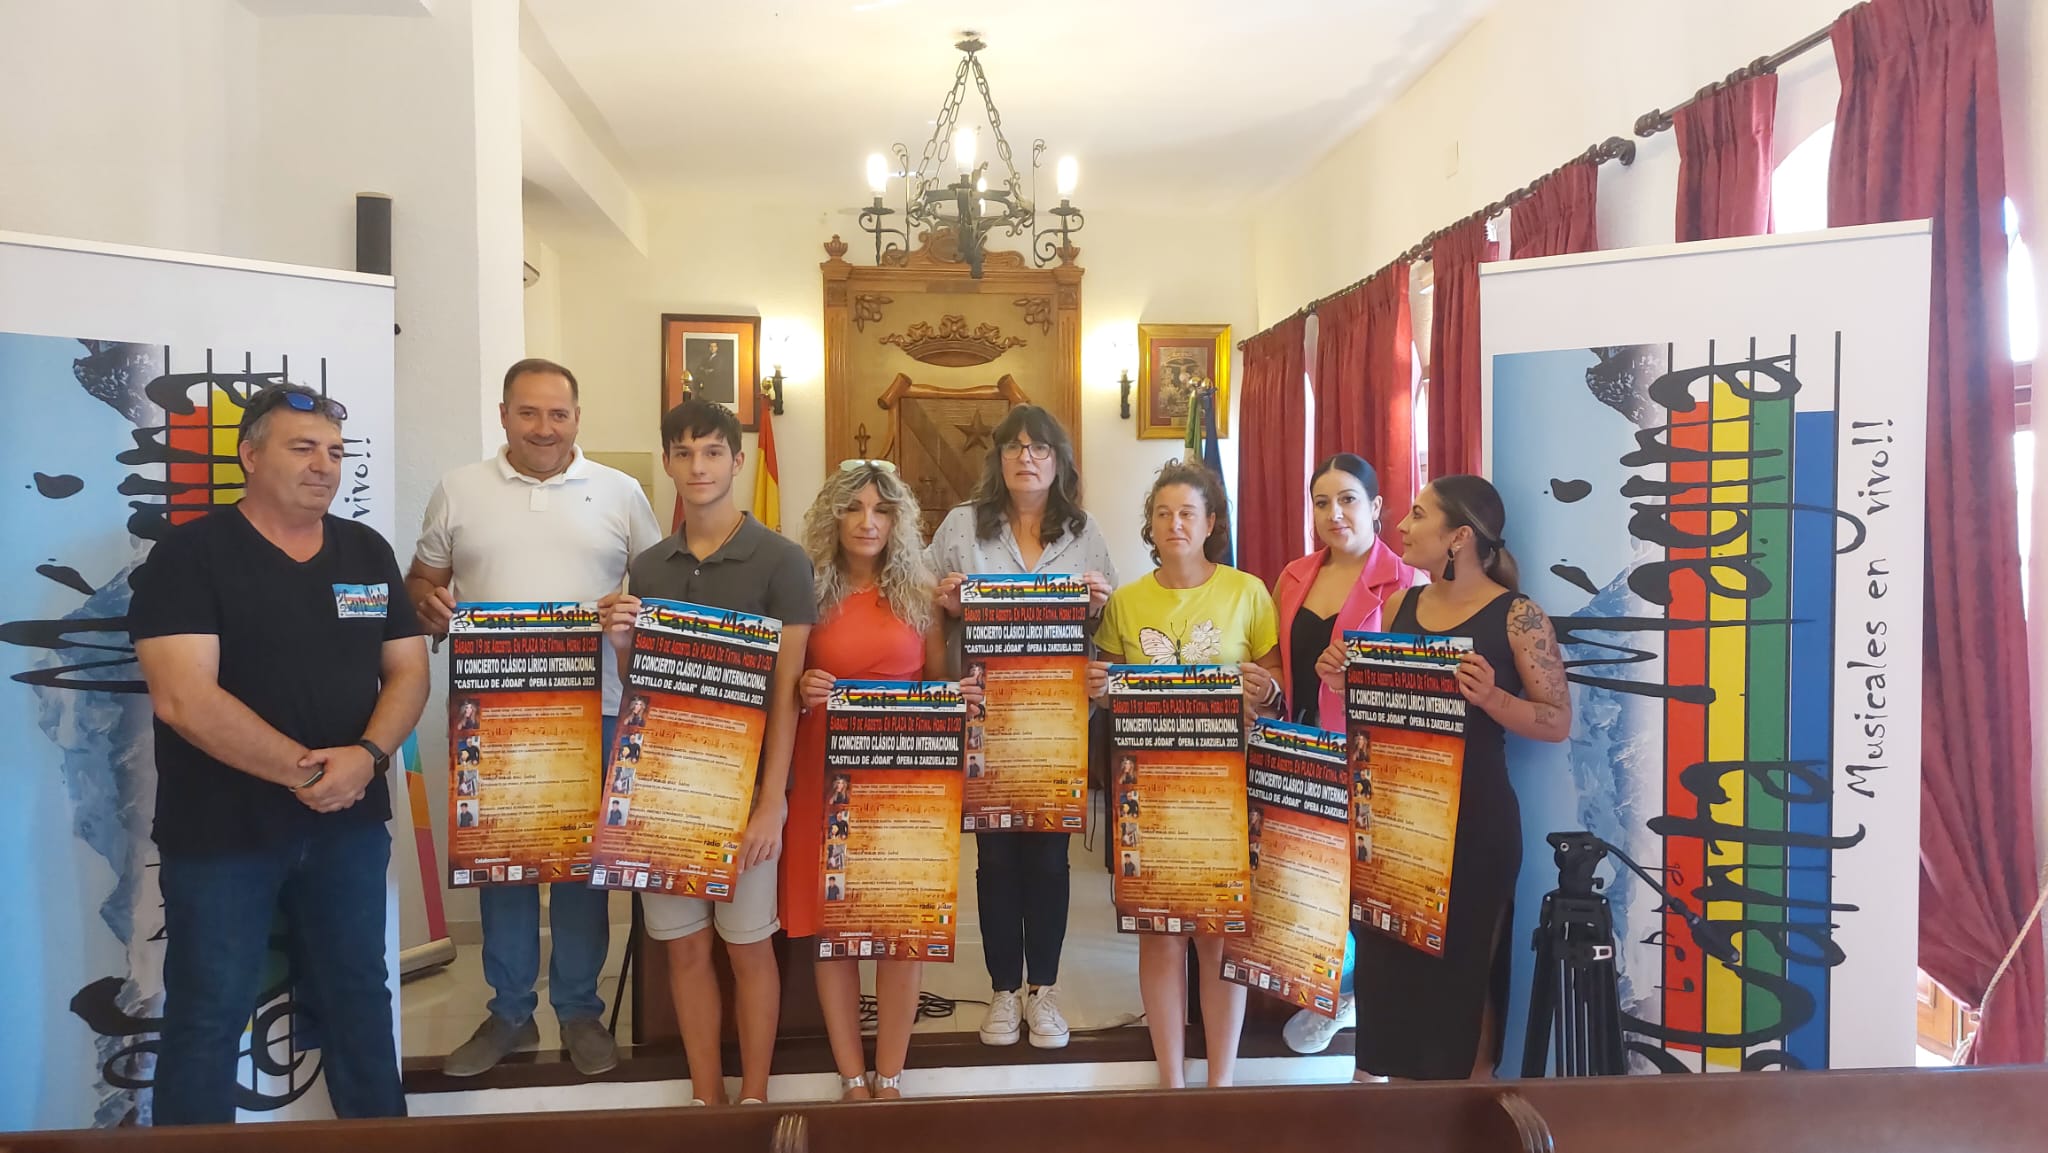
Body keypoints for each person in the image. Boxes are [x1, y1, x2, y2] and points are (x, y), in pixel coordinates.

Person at [129, 384, 430, 1124]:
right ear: (250, 454)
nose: (324, 465)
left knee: (360, 1001)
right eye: (303, 447)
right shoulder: (189, 555)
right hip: (223, 834)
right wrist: (312, 771)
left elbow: (409, 672)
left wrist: (365, 755)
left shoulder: (366, 551)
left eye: (334, 451)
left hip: (349, 828)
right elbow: (182, 697)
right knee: (208, 1013)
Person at [407, 358, 662, 1078]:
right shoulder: (458, 489)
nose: (544, 427)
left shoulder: (622, 491)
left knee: (585, 870)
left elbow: (658, 584)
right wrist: (426, 600)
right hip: (495, 712)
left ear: (578, 417)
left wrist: (635, 616)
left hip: (598, 708)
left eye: (558, 413)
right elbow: (423, 578)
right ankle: (509, 1011)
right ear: (503, 415)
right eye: (529, 413)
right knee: (507, 866)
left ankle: (580, 1008)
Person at [600, 398, 815, 1107]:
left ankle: (753, 1098)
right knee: (684, 949)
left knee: (749, 947)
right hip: (662, 792)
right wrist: (624, 643)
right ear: (667, 462)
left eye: (713, 452)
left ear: (738, 461)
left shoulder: (784, 561)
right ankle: (706, 1099)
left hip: (744, 793)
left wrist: (772, 802)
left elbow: (785, 693)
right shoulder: (648, 563)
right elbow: (646, 690)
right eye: (684, 453)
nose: (698, 466)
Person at [1321, 475, 1570, 1081]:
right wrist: (1344, 679)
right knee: (1390, 969)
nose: (1400, 527)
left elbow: (1559, 720)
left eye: (1416, 515)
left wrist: (1495, 700)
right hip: (1397, 822)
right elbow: (1394, 705)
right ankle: (1396, 1108)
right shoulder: (1403, 605)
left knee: (1465, 975)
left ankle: (1467, 1114)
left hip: (1475, 825)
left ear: (1459, 536)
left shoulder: (1519, 616)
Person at [788, 461, 984, 1100]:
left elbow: (933, 687)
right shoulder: (805, 589)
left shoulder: (921, 592)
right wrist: (801, 686)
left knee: (900, 931)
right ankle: (851, 1076)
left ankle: (892, 1075)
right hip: (824, 777)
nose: (867, 521)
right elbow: (782, 681)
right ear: (833, 517)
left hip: (903, 780)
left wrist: (952, 692)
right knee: (835, 935)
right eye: (853, 508)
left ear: (898, 519)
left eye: (881, 509)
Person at [1087, 459, 1283, 1089]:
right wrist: (1099, 688)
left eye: (1187, 513)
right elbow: (1107, 690)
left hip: (1226, 787)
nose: (1174, 524)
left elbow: (1274, 685)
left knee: (1218, 935)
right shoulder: (1124, 601)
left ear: (1210, 523)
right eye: (1163, 513)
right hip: (1149, 788)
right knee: (1160, 934)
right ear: (1149, 524)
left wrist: (1267, 688)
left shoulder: (1248, 592)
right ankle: (1171, 1080)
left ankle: (1220, 1082)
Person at [926, 405, 1116, 1050]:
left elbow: (1107, 622)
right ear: (998, 458)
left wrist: (1096, 604)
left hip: (1058, 720)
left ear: (1058, 461)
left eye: (1039, 448)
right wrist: (946, 603)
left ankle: (1046, 993)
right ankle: (1003, 992)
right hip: (985, 721)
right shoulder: (960, 526)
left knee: (1051, 858)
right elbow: (922, 600)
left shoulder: (1084, 532)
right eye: (1014, 447)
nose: (1026, 458)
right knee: (996, 857)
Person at [1271, 454, 1419, 1054]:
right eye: (1323, 501)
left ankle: (1354, 997)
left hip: (1369, 754)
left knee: (1361, 883)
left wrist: (1354, 682)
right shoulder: (1293, 576)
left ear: (1378, 506)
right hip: (1299, 741)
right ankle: (1323, 985)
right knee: (1310, 878)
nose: (1335, 514)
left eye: (1349, 499)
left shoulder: (1407, 581)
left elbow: (1414, 684)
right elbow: (1281, 664)